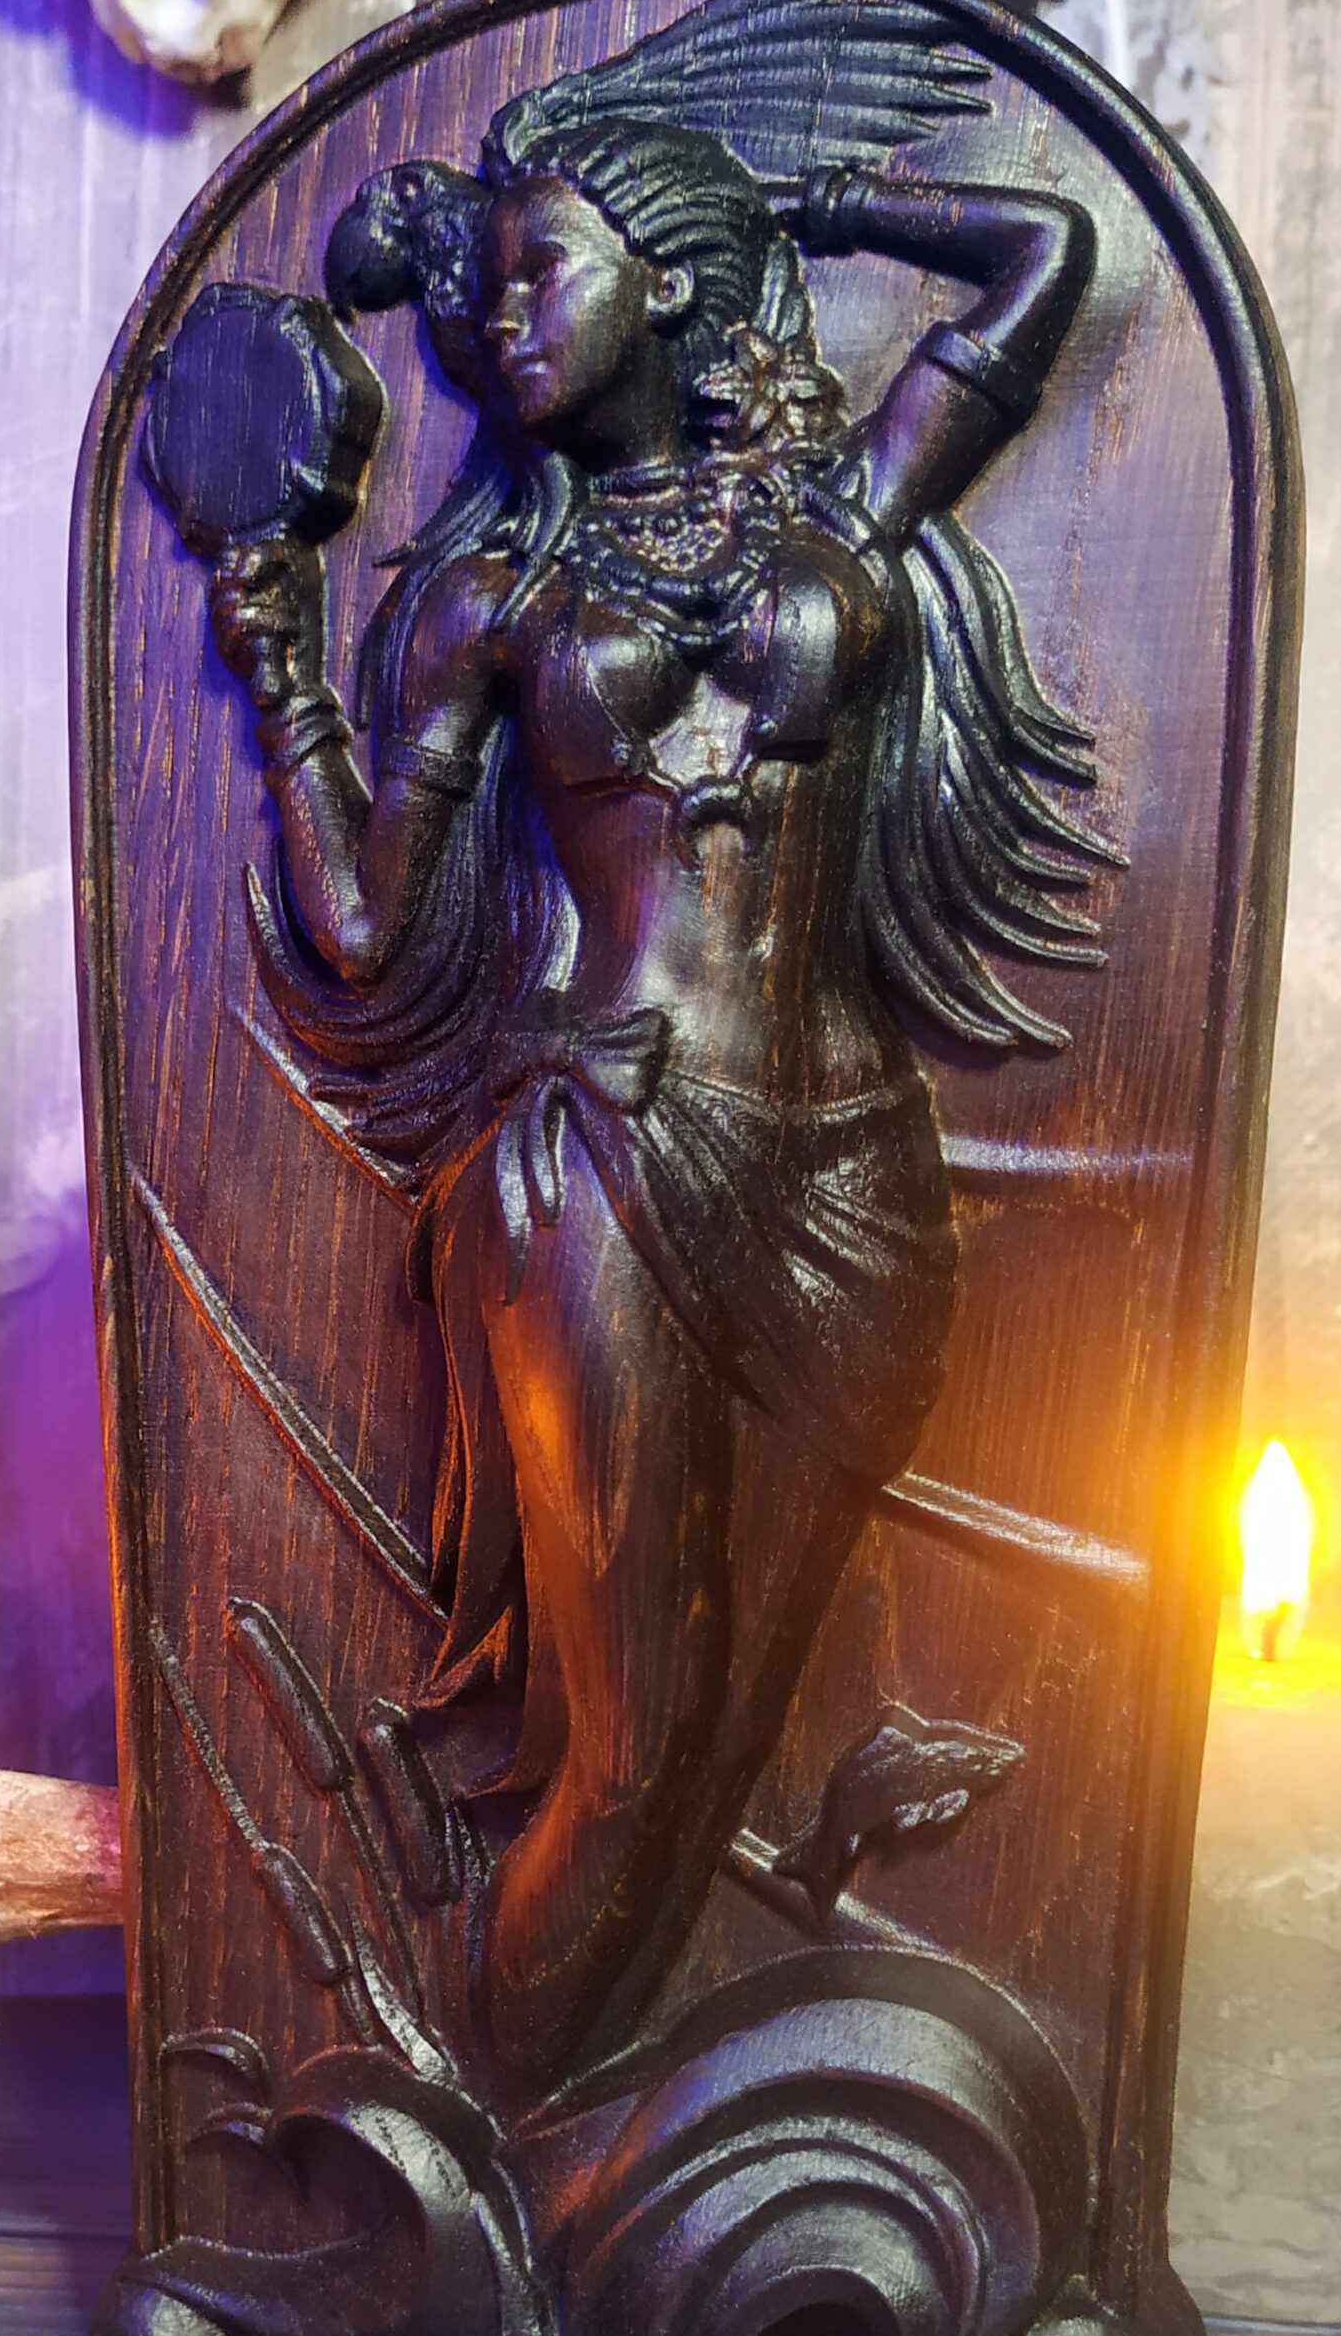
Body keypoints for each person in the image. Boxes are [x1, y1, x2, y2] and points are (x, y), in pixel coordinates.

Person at [206, 114, 1110, 2105]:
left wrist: (803, 196)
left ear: (670, 276)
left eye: (547, 265)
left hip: (851, 1177)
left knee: (723, 1745)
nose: (499, 312)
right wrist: (286, 685)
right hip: (601, 1151)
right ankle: (471, 2162)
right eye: (488, 280)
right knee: (625, 1754)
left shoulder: (846, 503)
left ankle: (572, 2170)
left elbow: (1044, 254)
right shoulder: (493, 594)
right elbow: (362, 925)